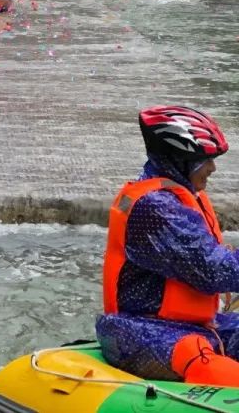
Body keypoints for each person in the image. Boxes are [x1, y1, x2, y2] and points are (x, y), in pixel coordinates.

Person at [97, 106, 239, 386]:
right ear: (179, 158)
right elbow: (214, 270)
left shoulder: (179, 196)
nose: (212, 168)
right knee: (198, 358)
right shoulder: (155, 209)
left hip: (192, 325)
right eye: (205, 159)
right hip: (141, 330)